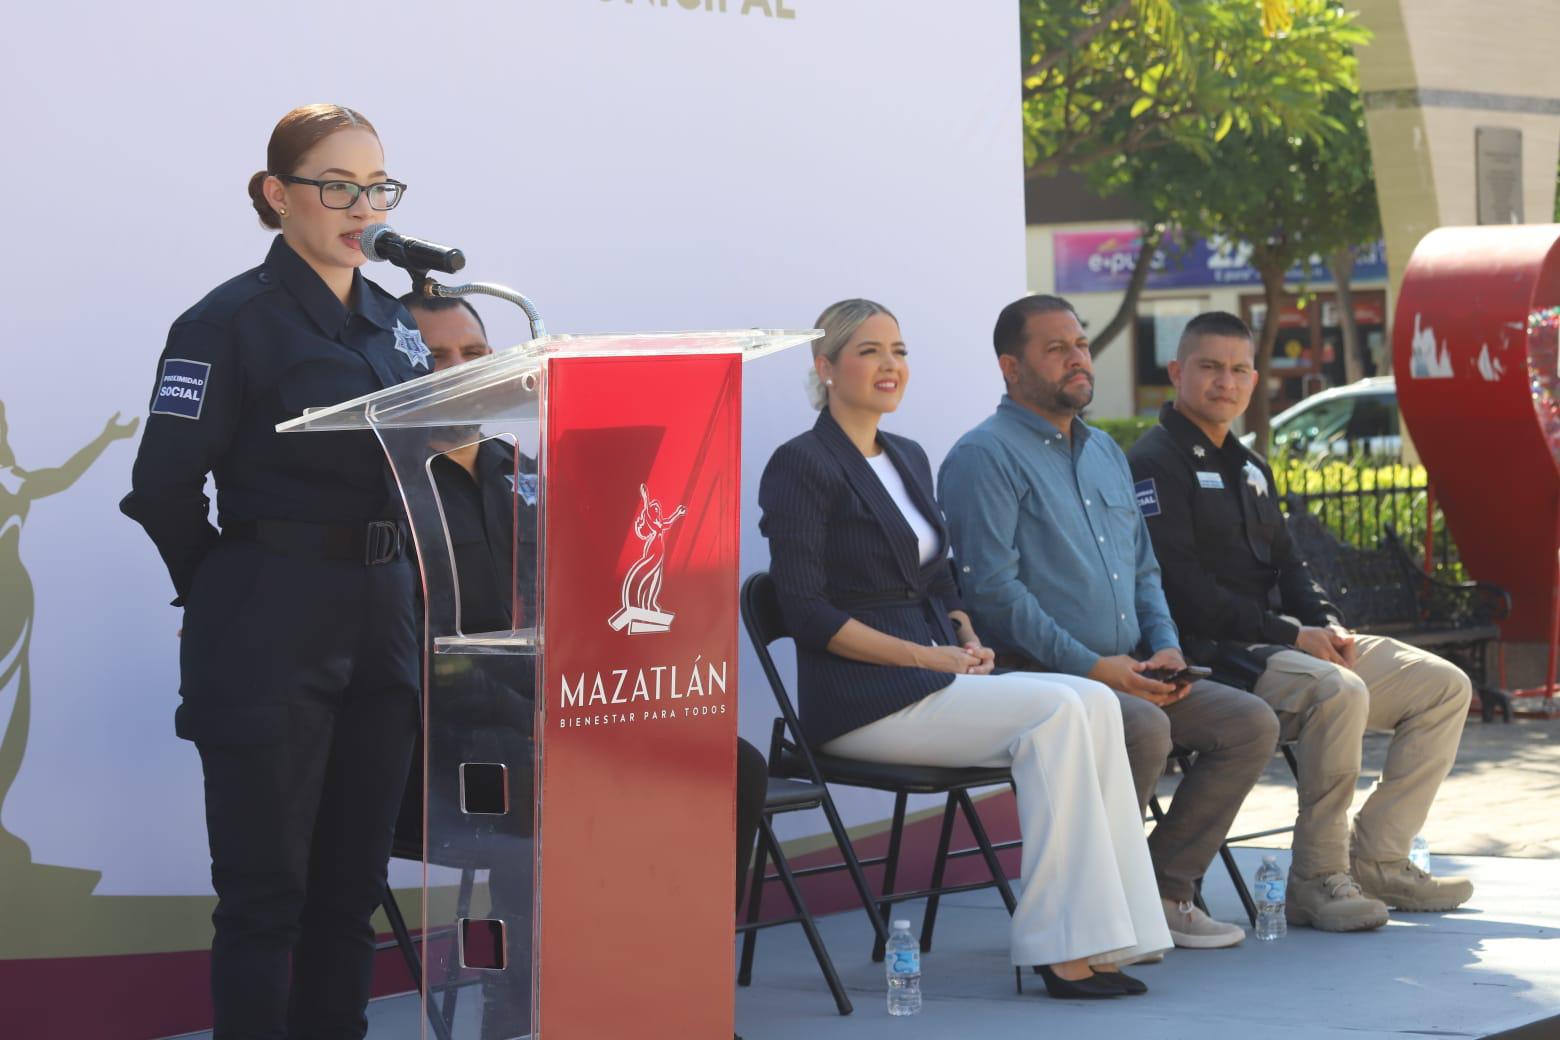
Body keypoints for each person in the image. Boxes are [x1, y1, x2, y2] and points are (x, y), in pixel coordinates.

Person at [758, 298, 1170, 1000]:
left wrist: (965, 633)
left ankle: (1113, 933)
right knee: (1058, 714)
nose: (890, 365)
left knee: (1095, 701)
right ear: (825, 368)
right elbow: (806, 613)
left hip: (937, 679)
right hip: (862, 701)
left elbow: (939, 576)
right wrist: (929, 659)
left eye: (900, 350)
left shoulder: (907, 455)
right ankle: (1060, 948)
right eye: (868, 351)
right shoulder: (802, 465)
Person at [121, 104, 427, 1039]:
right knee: (266, 897)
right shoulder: (228, 321)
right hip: (271, 619)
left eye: (377, 186)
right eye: (337, 185)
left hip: (385, 615)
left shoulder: (394, 319)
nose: (361, 205)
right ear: (276, 194)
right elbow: (164, 488)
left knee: (351, 892)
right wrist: (227, 589)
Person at [938, 293, 1278, 952]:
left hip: (1131, 670)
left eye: (1082, 344)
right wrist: (1096, 669)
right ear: (1012, 368)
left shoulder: (1104, 453)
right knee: (1145, 728)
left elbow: (1144, 571)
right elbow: (995, 596)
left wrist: (1168, 649)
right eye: (1055, 348)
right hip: (1043, 680)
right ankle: (1103, 907)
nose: (1077, 359)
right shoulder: (984, 455)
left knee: (1247, 722)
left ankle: (1162, 889)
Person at [1127, 311, 1474, 931]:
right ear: (1177, 372)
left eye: (1238, 370)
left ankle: (1380, 860)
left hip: (1289, 645)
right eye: (1208, 367)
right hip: (1223, 657)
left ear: (1255, 380)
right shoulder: (1154, 462)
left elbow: (1292, 566)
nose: (1224, 382)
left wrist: (1328, 625)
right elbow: (1182, 592)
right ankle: (1317, 877)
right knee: (1339, 692)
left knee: (1443, 686)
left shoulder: (1251, 465)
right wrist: (1292, 634)